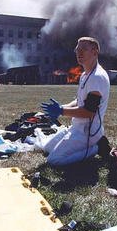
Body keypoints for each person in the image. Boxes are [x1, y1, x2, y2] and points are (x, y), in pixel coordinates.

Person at [40, 37, 110, 166]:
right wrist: (62, 107)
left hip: (88, 132)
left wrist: (62, 111)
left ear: (94, 52)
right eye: (77, 50)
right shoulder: (85, 75)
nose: (79, 53)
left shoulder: (97, 77)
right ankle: (85, 145)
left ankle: (96, 147)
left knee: (54, 160)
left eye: (83, 49)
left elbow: (89, 112)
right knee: (47, 148)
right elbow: (79, 101)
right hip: (76, 127)